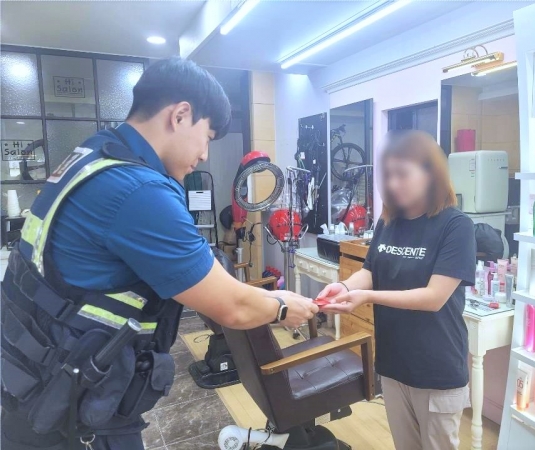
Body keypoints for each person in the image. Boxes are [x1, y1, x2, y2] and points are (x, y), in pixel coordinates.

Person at [1, 57, 318, 450]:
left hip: (35, 384)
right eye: (207, 137)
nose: (204, 155)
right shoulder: (138, 190)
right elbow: (233, 307)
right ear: (180, 115)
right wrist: (282, 307)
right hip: (72, 414)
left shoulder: (92, 156)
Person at [318, 131, 476, 450]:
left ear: (430, 173)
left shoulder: (455, 226)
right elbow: (370, 272)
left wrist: (367, 297)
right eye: (388, 175)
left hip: (436, 369)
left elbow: (433, 298)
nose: (392, 183)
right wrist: (344, 286)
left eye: (402, 174)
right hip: (393, 363)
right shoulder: (389, 222)